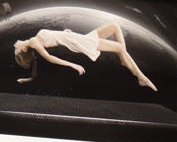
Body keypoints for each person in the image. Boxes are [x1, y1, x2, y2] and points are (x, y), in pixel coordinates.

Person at [11, 17, 158, 90]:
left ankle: (124, 59)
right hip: (78, 42)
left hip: (75, 37)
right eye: (16, 49)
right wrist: (73, 65)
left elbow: (55, 39)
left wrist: (64, 32)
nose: (14, 45)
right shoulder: (33, 42)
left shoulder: (35, 39)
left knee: (115, 26)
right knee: (120, 47)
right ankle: (141, 77)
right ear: (24, 50)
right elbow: (49, 58)